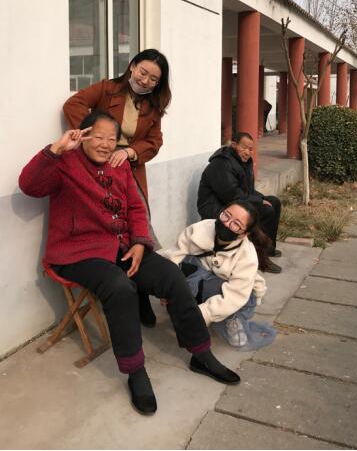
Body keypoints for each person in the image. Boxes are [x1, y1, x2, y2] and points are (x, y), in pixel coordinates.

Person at [19, 110, 240, 416]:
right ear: (83, 135)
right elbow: (29, 185)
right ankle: (136, 371)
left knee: (171, 275)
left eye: (111, 139)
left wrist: (139, 242)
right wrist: (56, 149)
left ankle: (201, 353)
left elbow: (136, 208)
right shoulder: (65, 162)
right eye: (98, 136)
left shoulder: (118, 165)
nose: (105, 144)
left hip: (122, 247)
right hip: (77, 253)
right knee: (119, 287)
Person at [63, 49, 171, 327]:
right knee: (114, 227)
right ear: (132, 66)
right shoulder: (107, 89)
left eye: (154, 79)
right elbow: (73, 104)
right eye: (143, 72)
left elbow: (155, 141)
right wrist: (94, 138)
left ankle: (143, 294)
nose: (145, 81)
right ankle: (126, 291)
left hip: (131, 171)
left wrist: (130, 152)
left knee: (140, 229)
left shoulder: (153, 106)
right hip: (100, 170)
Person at [160, 200, 277, 350]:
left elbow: (234, 296)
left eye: (236, 224)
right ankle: (185, 304)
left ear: (243, 234)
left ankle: (233, 320)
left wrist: (201, 314)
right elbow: (174, 256)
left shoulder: (247, 256)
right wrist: (167, 289)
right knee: (183, 266)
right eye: (226, 215)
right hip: (200, 274)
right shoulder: (199, 229)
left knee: (220, 293)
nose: (227, 224)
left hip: (231, 289)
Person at [197, 132, 282, 273]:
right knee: (265, 211)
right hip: (217, 208)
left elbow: (247, 190)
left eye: (250, 149)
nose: (248, 152)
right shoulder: (221, 164)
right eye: (244, 147)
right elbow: (231, 195)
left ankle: (268, 249)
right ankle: (259, 258)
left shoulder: (242, 162)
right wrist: (259, 201)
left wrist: (262, 199)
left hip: (232, 203)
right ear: (234, 145)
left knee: (274, 202)